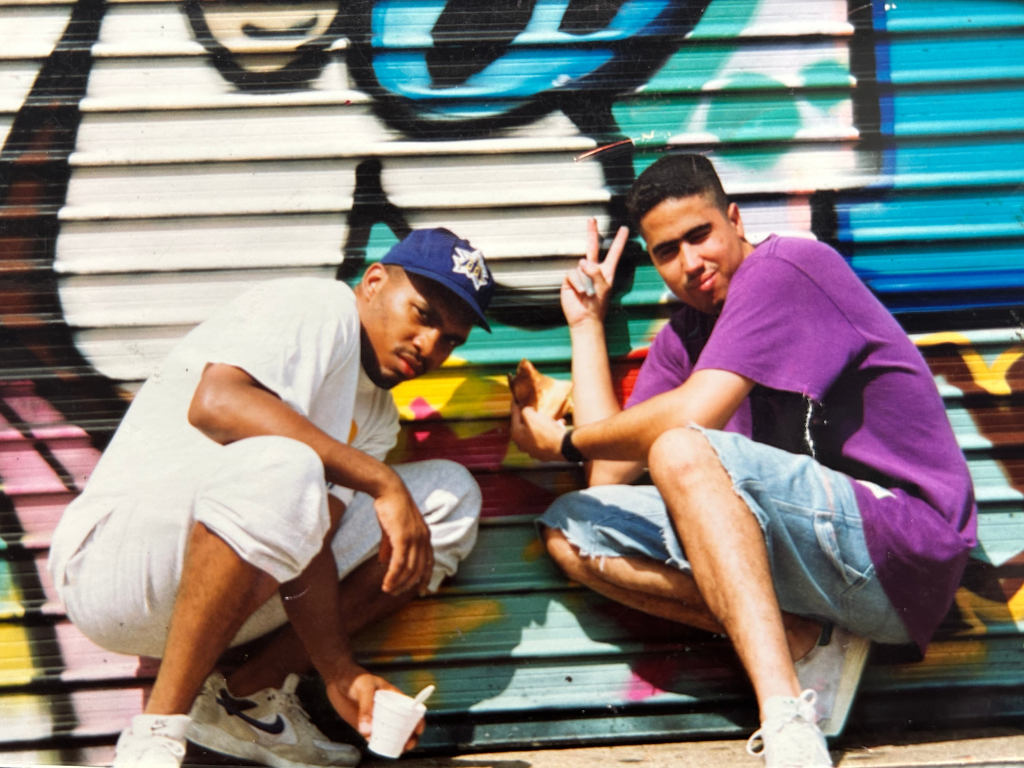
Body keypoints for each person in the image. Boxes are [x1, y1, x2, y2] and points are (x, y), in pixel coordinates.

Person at [510, 154, 977, 767]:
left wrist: (563, 442)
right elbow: (608, 475)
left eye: (699, 235)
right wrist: (587, 327)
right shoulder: (685, 338)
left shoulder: (786, 267)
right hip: (820, 560)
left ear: (734, 219)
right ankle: (802, 642)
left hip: (903, 548)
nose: (690, 263)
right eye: (666, 252)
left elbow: (689, 416)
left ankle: (785, 718)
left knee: (679, 444)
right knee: (572, 526)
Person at [47, 228, 496, 768]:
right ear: (373, 282)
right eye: (423, 316)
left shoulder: (376, 414)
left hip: (221, 598)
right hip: (116, 571)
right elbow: (216, 402)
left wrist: (339, 672)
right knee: (286, 460)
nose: (430, 346)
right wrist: (382, 481)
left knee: (448, 498)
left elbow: (308, 549)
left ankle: (242, 701)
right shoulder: (316, 307)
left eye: (450, 339)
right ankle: (156, 736)